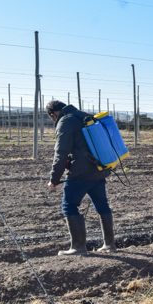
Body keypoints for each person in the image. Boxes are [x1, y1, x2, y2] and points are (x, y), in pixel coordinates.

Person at [46, 100, 116, 255]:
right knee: (102, 205)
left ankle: (78, 247)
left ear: (53, 114)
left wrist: (54, 179)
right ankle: (109, 245)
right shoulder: (85, 116)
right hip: (99, 169)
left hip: (80, 173)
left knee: (69, 206)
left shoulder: (65, 121)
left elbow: (61, 153)